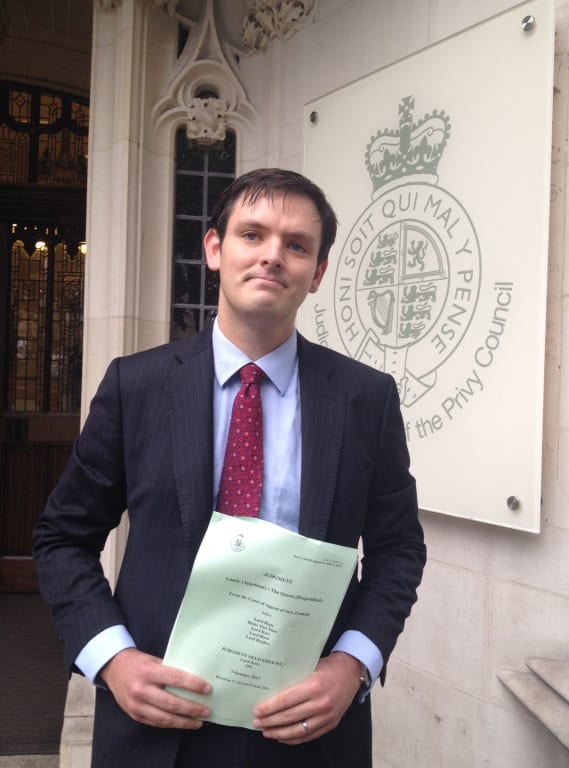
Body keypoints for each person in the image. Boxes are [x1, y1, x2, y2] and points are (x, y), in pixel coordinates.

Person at [33, 168, 426, 768]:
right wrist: (112, 660)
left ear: (317, 273)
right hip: (155, 726)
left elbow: (398, 549)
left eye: (297, 245)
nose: (273, 255)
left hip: (308, 729)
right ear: (214, 249)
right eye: (252, 234)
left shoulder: (364, 399)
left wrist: (353, 667)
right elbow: (62, 537)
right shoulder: (135, 386)